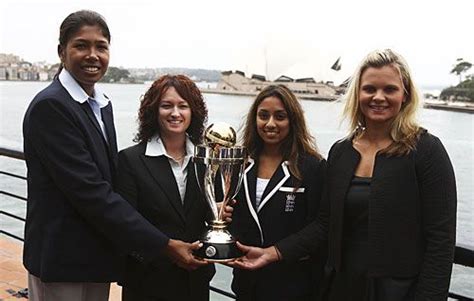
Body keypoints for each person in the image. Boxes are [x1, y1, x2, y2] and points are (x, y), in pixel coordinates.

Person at [232, 49, 457, 300]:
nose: (378, 97)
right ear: (357, 94)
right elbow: (324, 223)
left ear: (405, 95)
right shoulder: (342, 152)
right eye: (369, 89)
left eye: (390, 89)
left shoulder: (426, 150)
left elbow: (441, 239)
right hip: (342, 287)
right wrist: (273, 252)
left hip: (398, 291)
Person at [22, 10, 205, 301]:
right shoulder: (52, 106)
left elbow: (109, 181)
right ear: (61, 51)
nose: (93, 55)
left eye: (101, 46)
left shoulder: (100, 105)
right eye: (81, 45)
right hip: (62, 259)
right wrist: (164, 244)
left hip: (96, 256)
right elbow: (91, 192)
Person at [116, 75, 216, 301]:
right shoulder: (130, 160)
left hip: (195, 281)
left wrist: (220, 212)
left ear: (194, 112)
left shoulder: (207, 160)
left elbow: (211, 215)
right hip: (147, 282)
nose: (175, 113)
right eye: (166, 105)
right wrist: (168, 252)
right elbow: (126, 225)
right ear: (153, 111)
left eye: (183, 106)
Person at [229, 85, 327, 300]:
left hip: (293, 286)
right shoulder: (238, 164)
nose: (270, 123)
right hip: (246, 285)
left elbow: (322, 225)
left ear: (293, 121)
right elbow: (230, 216)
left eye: (280, 116)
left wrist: (276, 252)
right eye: (263, 115)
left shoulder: (312, 167)